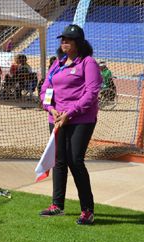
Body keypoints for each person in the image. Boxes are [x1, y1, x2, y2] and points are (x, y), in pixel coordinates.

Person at [38, 24, 102, 225]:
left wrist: (70, 113)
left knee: (75, 160)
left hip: (80, 119)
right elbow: (45, 90)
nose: (64, 42)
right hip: (57, 118)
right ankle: (57, 205)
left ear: (78, 43)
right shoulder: (57, 63)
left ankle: (87, 210)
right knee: (59, 161)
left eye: (68, 39)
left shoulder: (88, 63)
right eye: (62, 39)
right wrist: (51, 109)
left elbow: (91, 94)